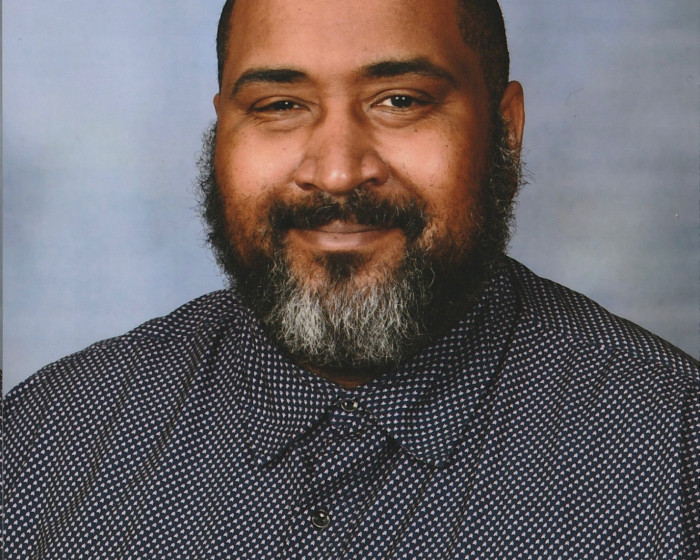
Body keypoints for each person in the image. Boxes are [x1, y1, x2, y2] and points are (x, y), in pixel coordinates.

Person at [5, 0, 698, 558]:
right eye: (279, 105)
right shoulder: (43, 444)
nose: (336, 172)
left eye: (399, 100)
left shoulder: (675, 448)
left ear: (506, 130)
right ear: (222, 135)